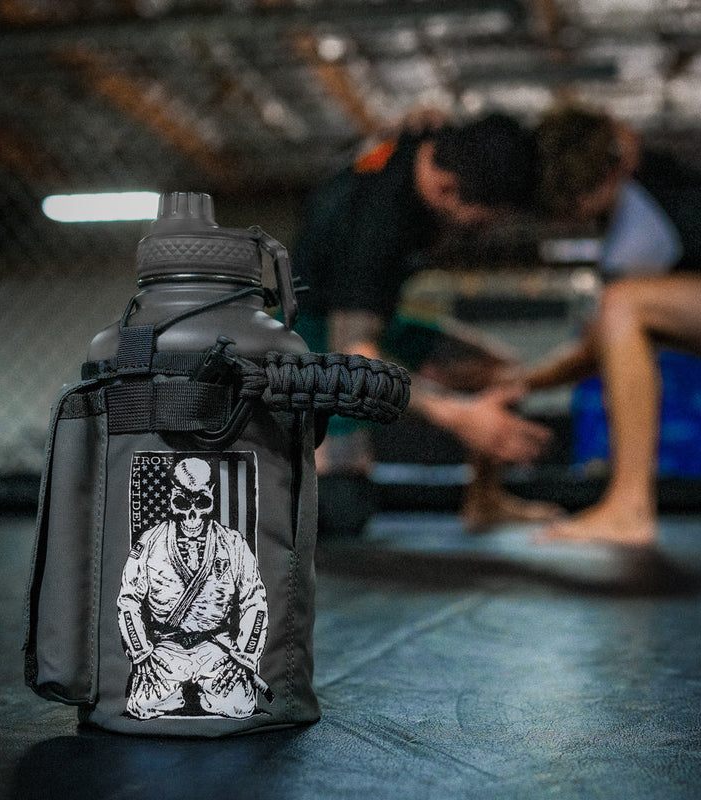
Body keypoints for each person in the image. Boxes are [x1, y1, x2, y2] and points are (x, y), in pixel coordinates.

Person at [291, 112, 556, 535]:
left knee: (497, 369)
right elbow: (354, 358)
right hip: (312, 344)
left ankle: (485, 502)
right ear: (446, 188)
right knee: (342, 510)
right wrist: (458, 415)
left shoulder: (434, 142)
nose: (482, 233)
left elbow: (417, 125)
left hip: (376, 320)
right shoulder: (372, 225)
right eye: (480, 221)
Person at [522, 105, 701, 547]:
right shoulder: (644, 180)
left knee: (621, 306)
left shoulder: (639, 231)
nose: (568, 215)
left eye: (575, 201)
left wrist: (522, 381)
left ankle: (629, 509)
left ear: (608, 176)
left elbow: (594, 351)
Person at [117, 456, 269, 719]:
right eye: (182, 502)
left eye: (200, 502)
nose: (192, 514)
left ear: (212, 495)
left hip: (216, 647)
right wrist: (141, 653)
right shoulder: (150, 542)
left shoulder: (233, 543)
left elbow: (255, 600)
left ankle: (195, 694)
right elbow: (128, 599)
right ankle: (180, 693)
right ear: (171, 498)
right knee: (141, 705)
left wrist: (244, 657)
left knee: (239, 706)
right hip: (165, 648)